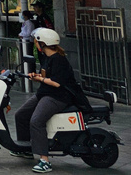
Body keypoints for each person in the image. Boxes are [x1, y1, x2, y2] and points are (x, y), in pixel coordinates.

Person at [13, 28, 81, 173]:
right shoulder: (46, 57)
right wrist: (36, 76)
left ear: (43, 42)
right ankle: (26, 149)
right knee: (21, 114)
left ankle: (45, 160)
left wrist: (40, 78)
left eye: (36, 40)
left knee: (36, 121)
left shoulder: (59, 60)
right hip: (44, 93)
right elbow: (46, 77)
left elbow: (57, 83)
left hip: (57, 96)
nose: (35, 43)